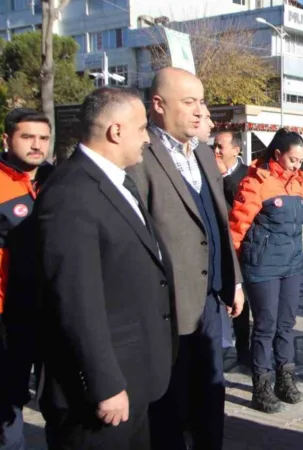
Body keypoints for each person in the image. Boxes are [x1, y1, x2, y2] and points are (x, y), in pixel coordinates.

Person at [36, 87, 175, 449]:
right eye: (143, 128)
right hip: (100, 394)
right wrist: (106, 383)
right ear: (116, 131)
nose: (148, 137)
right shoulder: (71, 193)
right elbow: (75, 301)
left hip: (134, 377)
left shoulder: (117, 181)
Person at [126, 67, 243, 450]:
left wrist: (234, 279)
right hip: (167, 310)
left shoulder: (205, 155)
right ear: (158, 105)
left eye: (202, 102)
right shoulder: (140, 156)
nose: (199, 111)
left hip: (210, 303)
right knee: (169, 410)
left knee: (211, 398)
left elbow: (219, 223)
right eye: (189, 102)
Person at [228, 130, 303, 414]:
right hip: (262, 267)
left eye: (301, 160)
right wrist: (234, 274)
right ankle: (261, 388)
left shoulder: (297, 182)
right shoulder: (255, 182)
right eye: (292, 159)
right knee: (265, 326)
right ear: (277, 154)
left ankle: (285, 379)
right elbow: (236, 230)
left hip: (291, 265)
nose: (297, 166)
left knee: (286, 324)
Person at [0, 109, 54, 450]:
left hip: (52, 311)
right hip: (9, 316)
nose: (37, 145)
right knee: (9, 405)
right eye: (28, 137)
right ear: (7, 139)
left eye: (44, 138)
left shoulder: (56, 179)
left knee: (58, 401)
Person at [212, 131, 251, 370]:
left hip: (243, 249)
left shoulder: (246, 175)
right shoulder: (208, 172)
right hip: (218, 247)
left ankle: (244, 350)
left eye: (220, 147)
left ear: (236, 150)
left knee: (243, 302)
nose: (216, 151)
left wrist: (223, 177)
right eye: (214, 146)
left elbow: (238, 205)